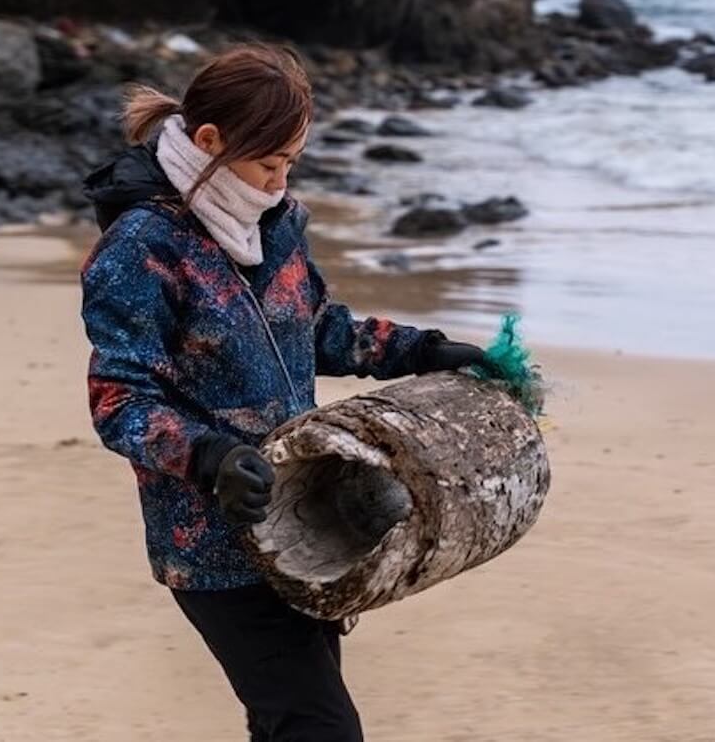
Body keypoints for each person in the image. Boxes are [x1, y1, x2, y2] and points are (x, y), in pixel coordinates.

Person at [80, 43, 493, 742]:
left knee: (286, 723)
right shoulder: (140, 248)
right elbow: (119, 398)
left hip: (307, 522)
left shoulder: (273, 224)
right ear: (209, 141)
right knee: (319, 727)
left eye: (291, 163)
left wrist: (422, 348)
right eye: (269, 163)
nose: (279, 182)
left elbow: (320, 328)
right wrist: (207, 456)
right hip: (210, 546)